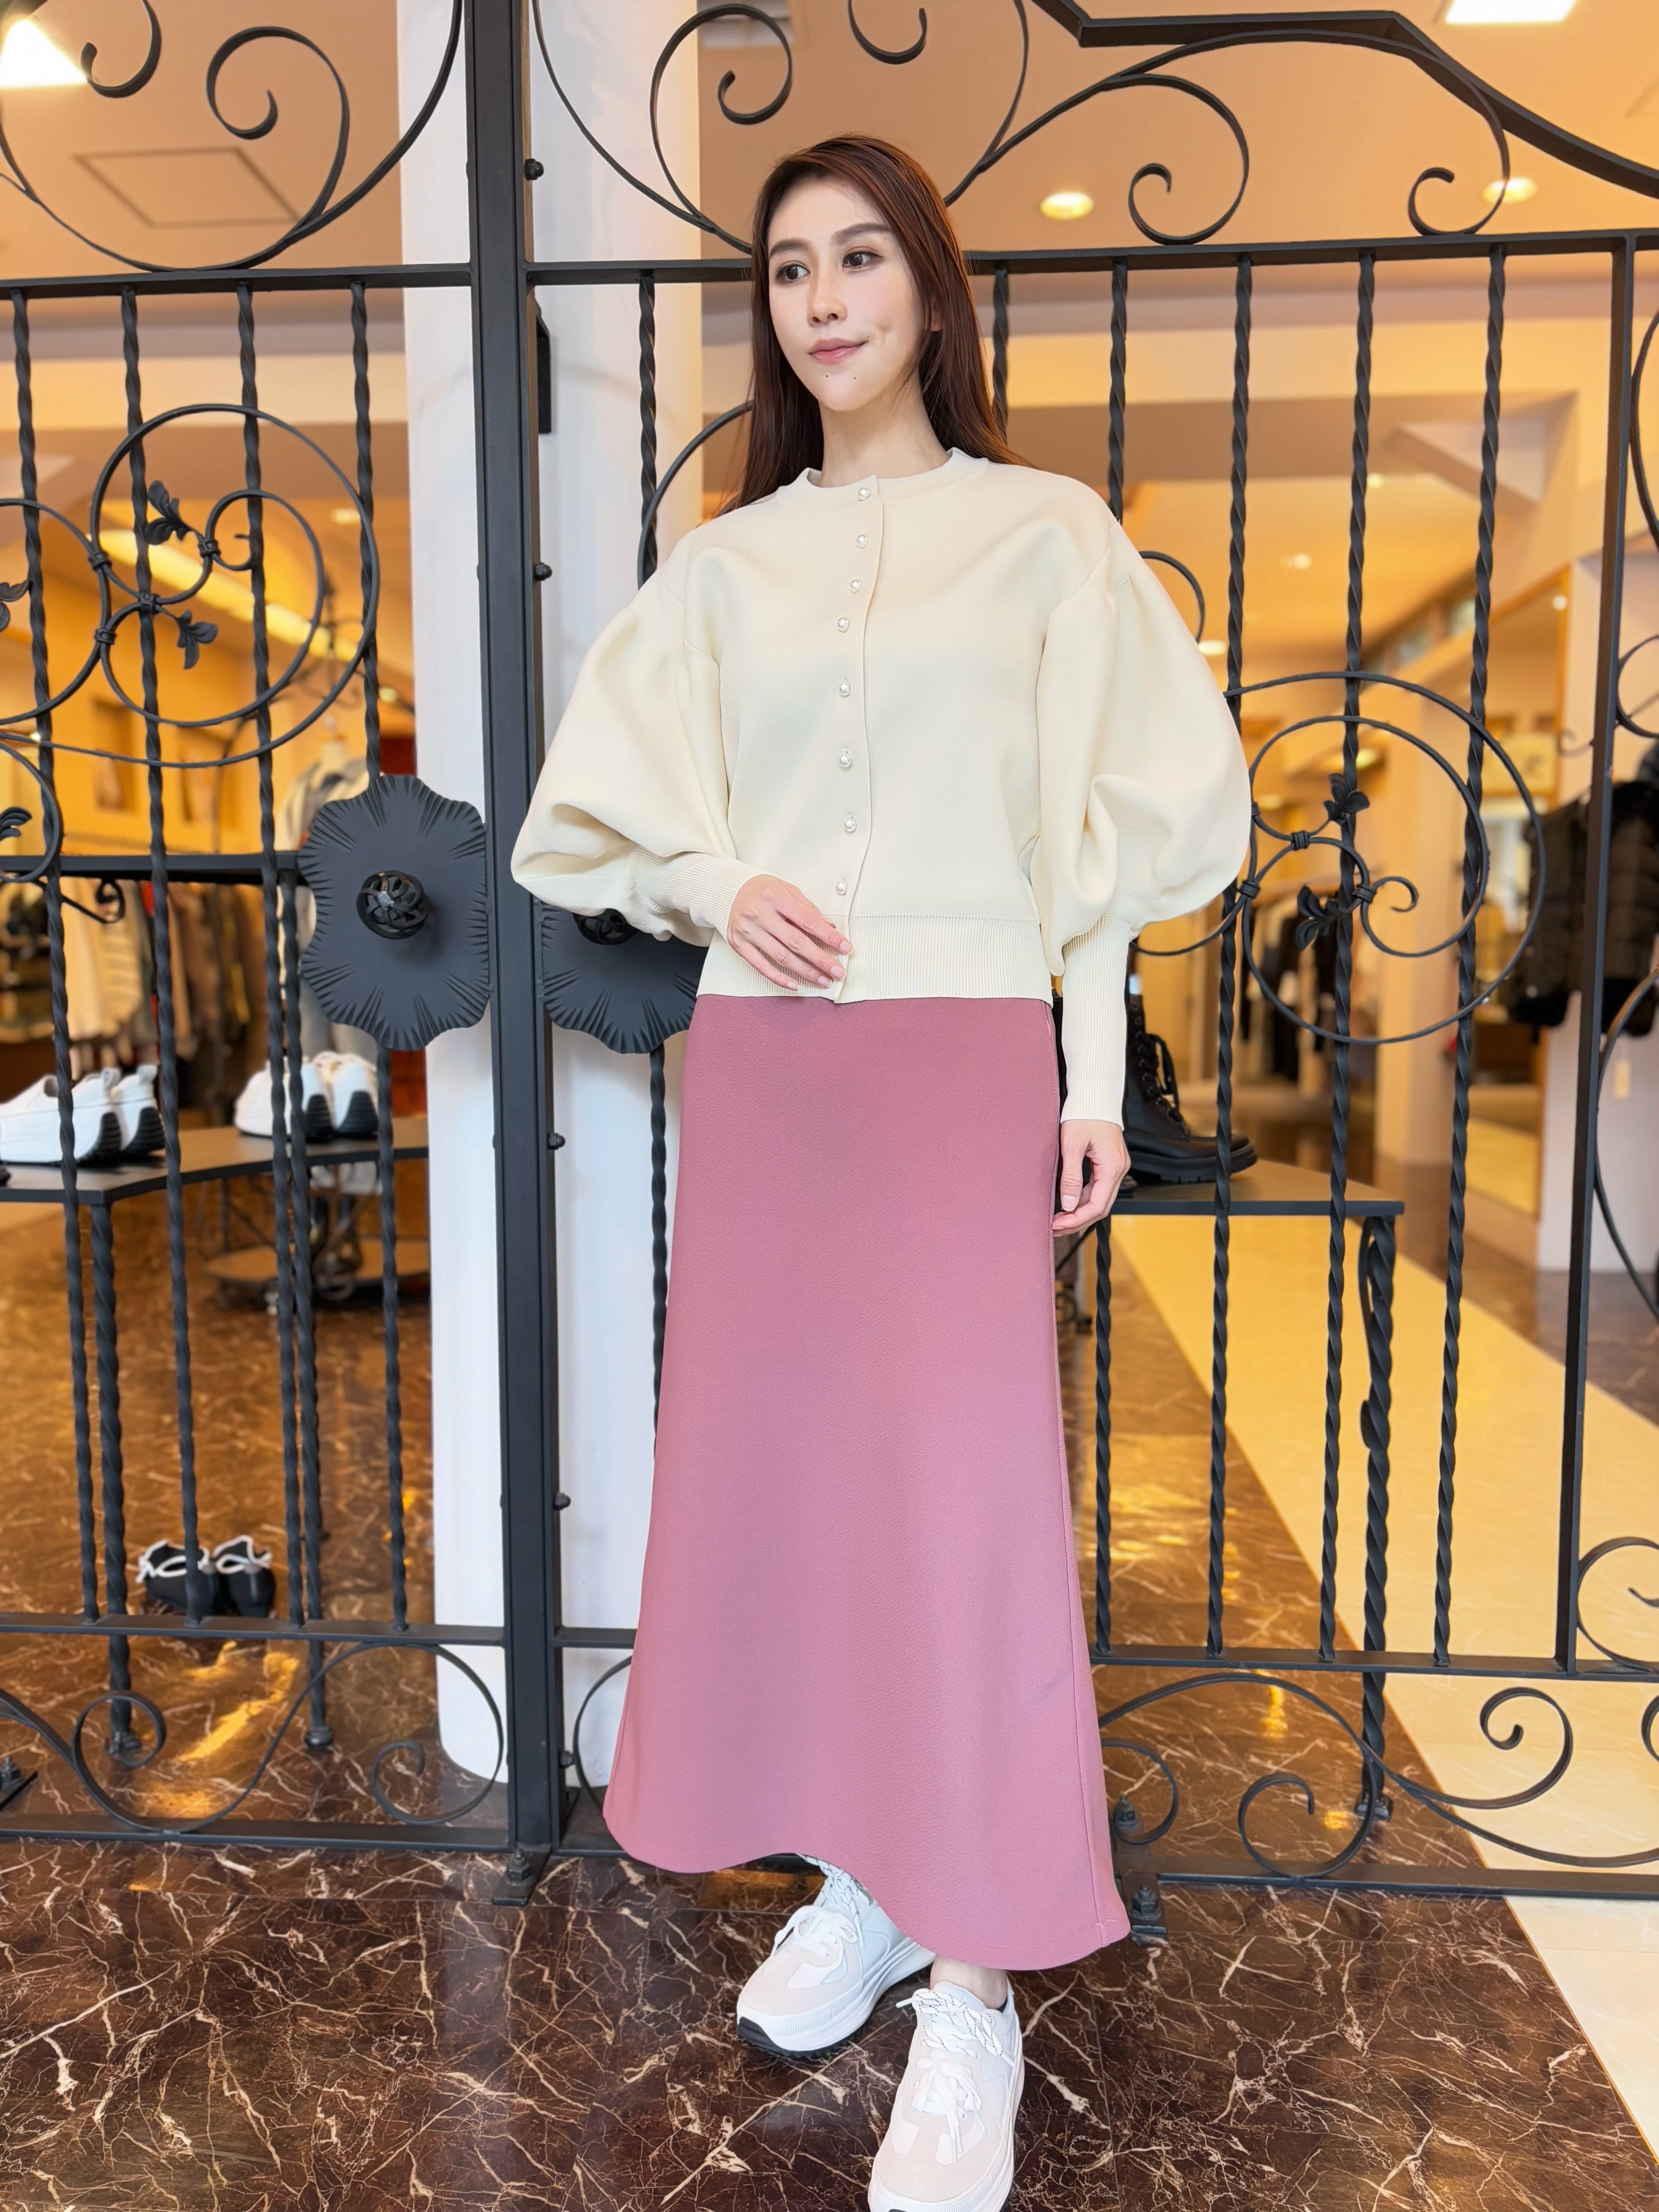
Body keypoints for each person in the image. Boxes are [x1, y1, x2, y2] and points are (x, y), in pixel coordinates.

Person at [512, 134, 1249, 2212]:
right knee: (806, 1493)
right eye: (788, 268)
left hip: (956, 1062)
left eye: (859, 257)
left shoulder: (1045, 538)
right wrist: (712, 882)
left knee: (962, 1503)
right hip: (774, 1071)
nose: (825, 297)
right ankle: (868, 1880)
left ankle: (981, 1981)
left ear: (928, 284)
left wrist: (1087, 1075)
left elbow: (1100, 841)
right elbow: (584, 825)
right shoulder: (725, 569)